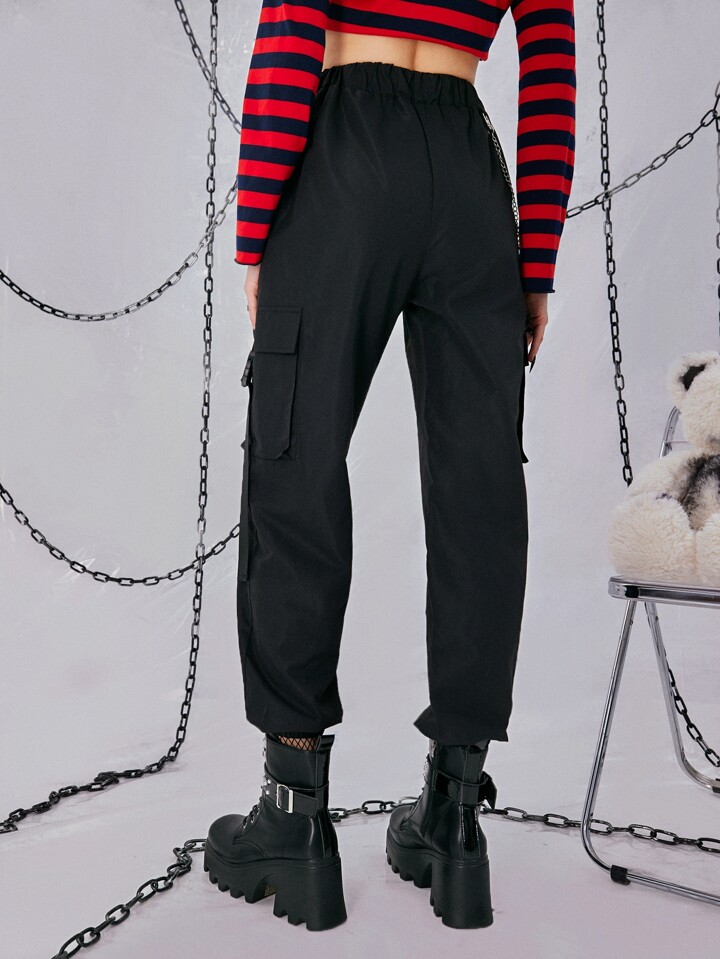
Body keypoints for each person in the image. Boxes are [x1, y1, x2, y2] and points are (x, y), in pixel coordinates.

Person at [204, 0, 576, 931]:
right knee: (480, 489)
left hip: (345, 151)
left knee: (296, 455)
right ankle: (455, 816)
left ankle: (293, 812)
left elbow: (294, 25)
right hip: (467, 166)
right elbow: (550, 68)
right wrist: (534, 262)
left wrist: (257, 232)